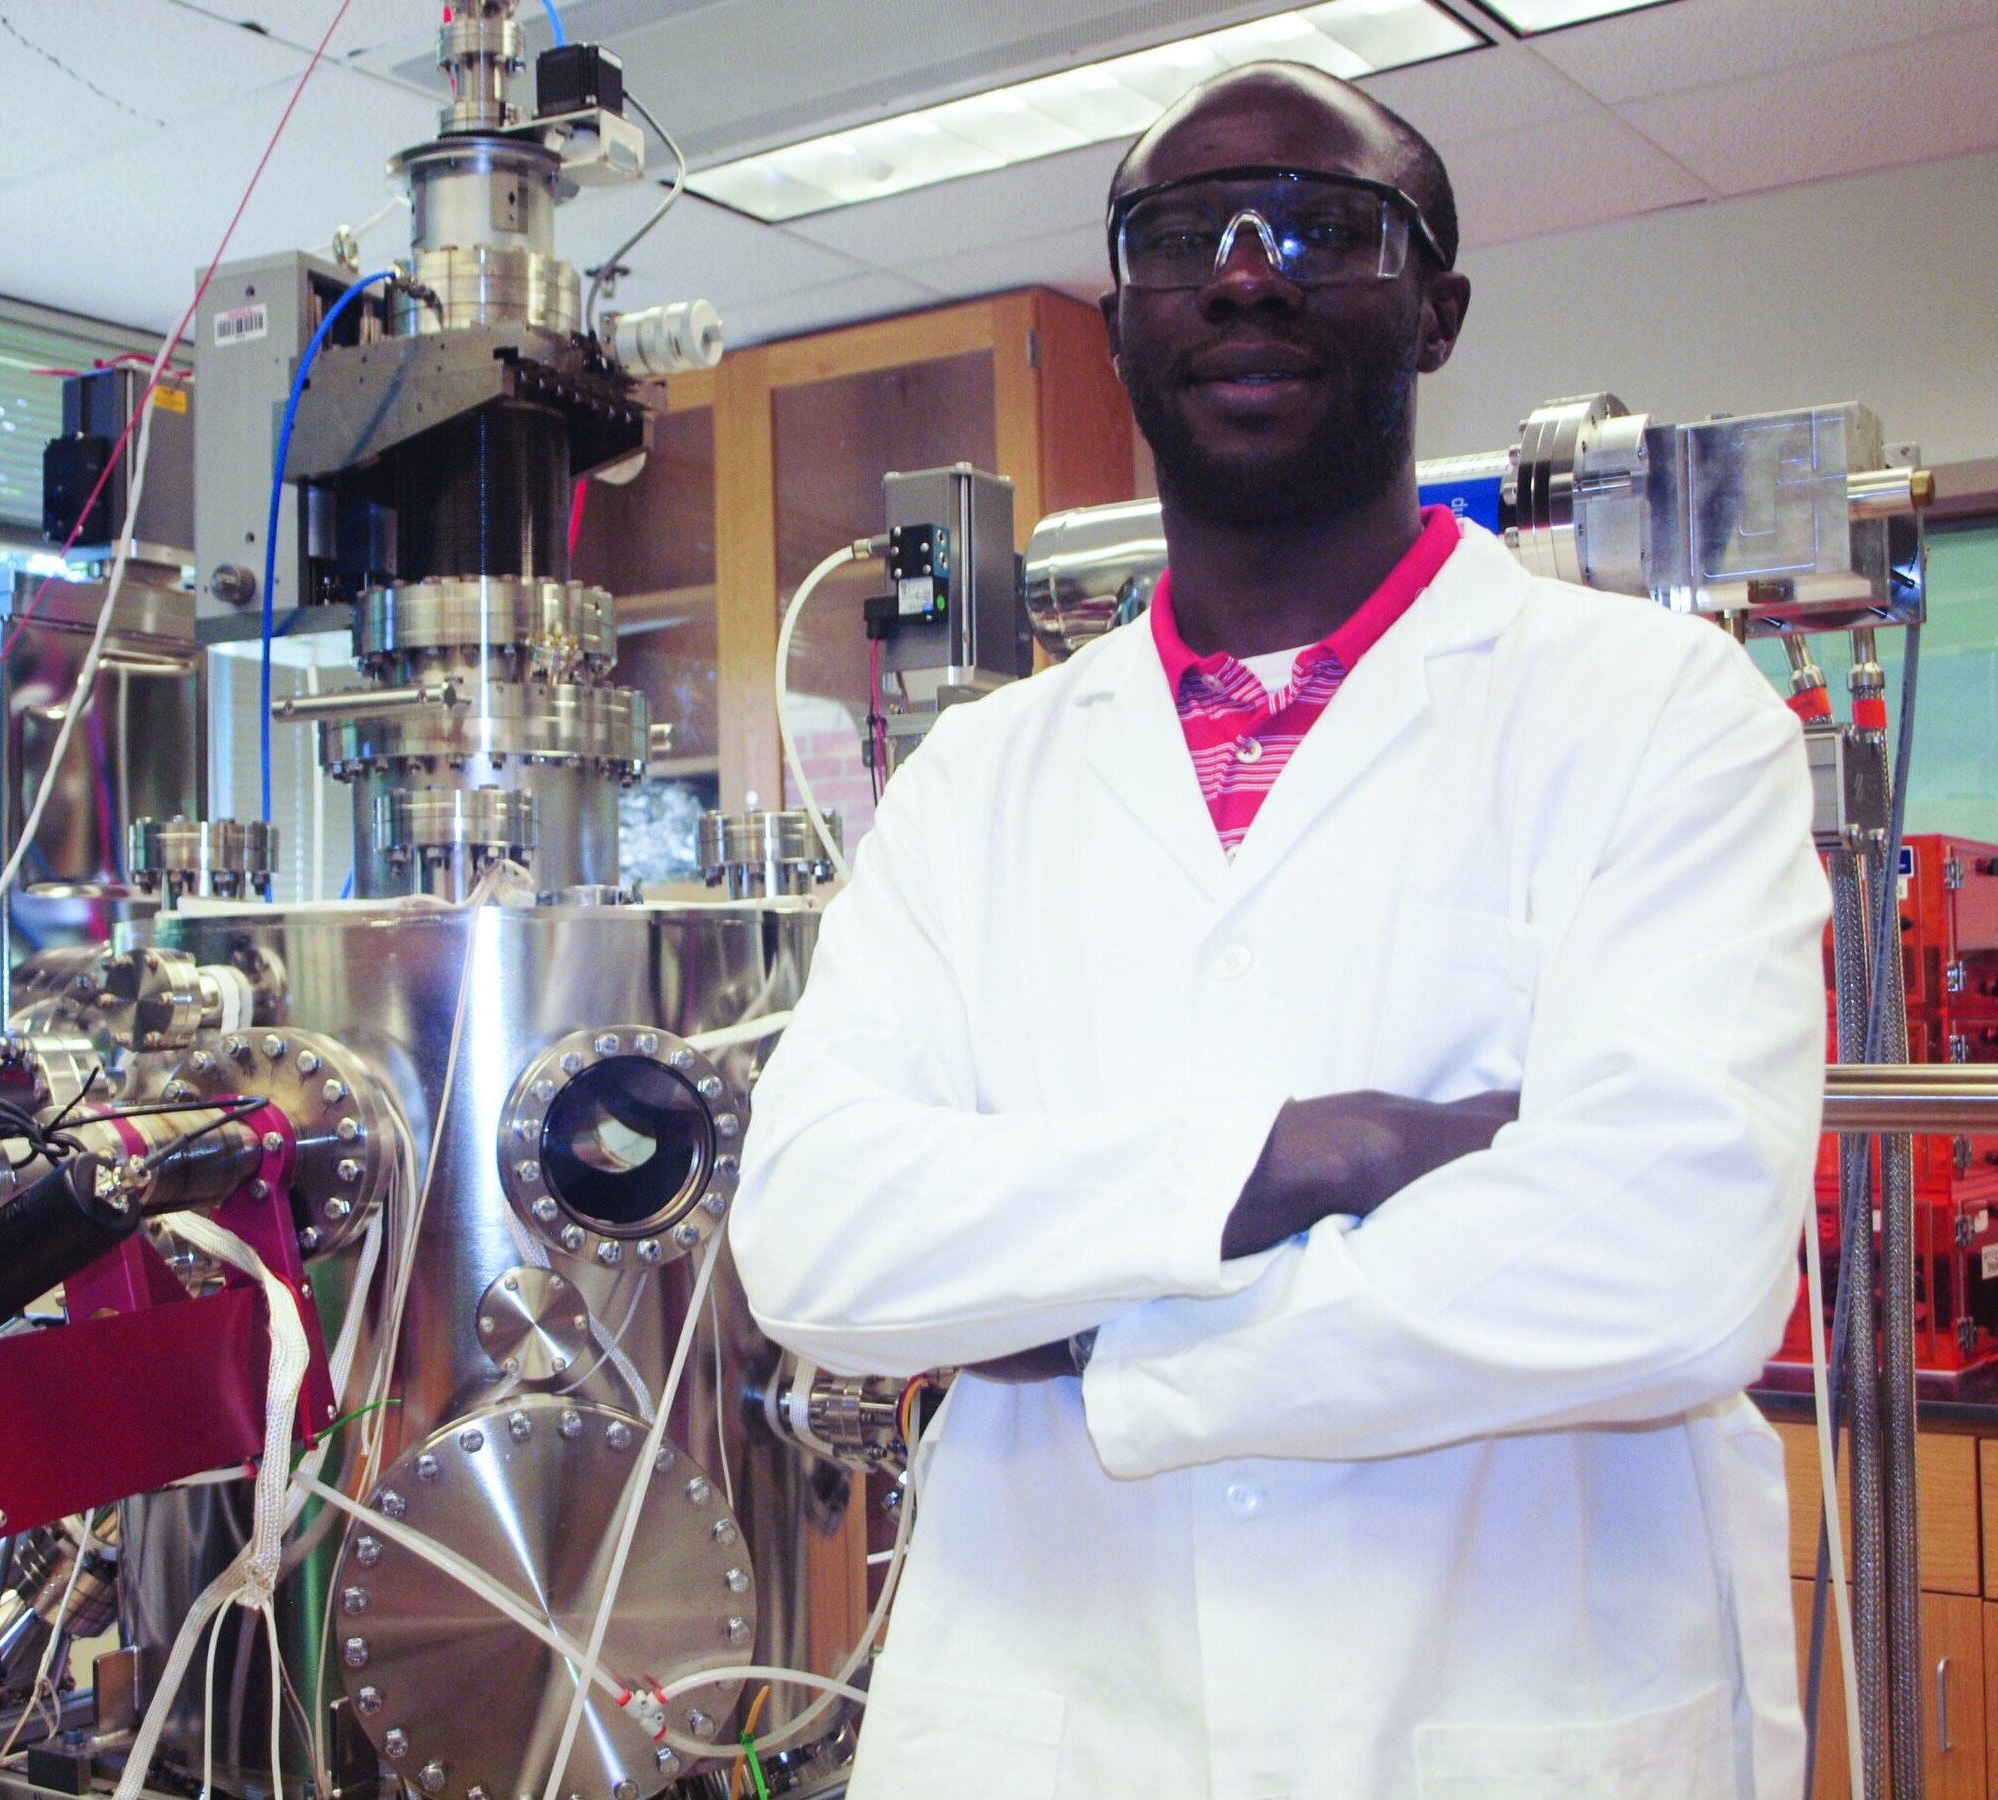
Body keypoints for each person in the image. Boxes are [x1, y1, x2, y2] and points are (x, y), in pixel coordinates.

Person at [729, 60, 1827, 1800]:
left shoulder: (1663, 713)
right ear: (1122, 323)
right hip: (1053, 1724)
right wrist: (1333, 1153)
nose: (1248, 272)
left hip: (1505, 1718)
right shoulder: (982, 775)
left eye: (1326, 226)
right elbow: (810, 1243)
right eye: (1184, 239)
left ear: (1438, 311)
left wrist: (1082, 1323)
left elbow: (1671, 1263)